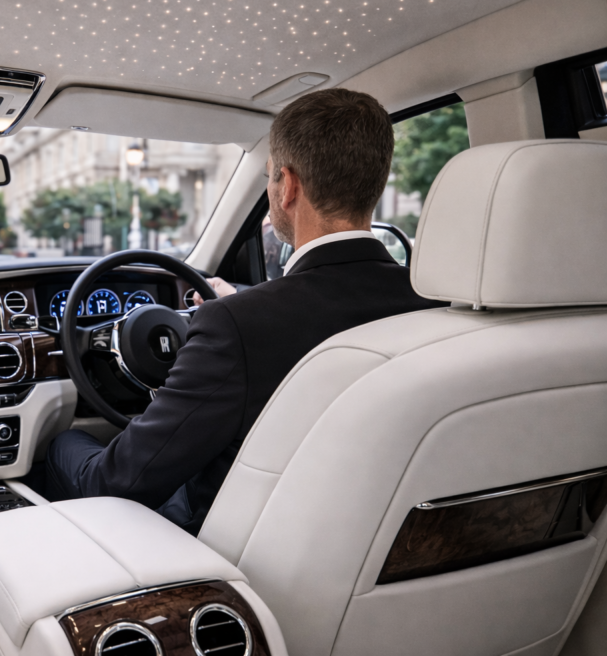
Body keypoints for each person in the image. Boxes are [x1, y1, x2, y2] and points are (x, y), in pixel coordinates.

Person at [44, 88, 445, 534]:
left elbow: (115, 484)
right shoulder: (436, 305)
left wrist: (59, 440)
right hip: (375, 534)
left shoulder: (234, 329)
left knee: (67, 446)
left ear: (288, 185)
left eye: (270, 177)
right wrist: (238, 298)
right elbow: (327, 308)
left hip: (226, 548)